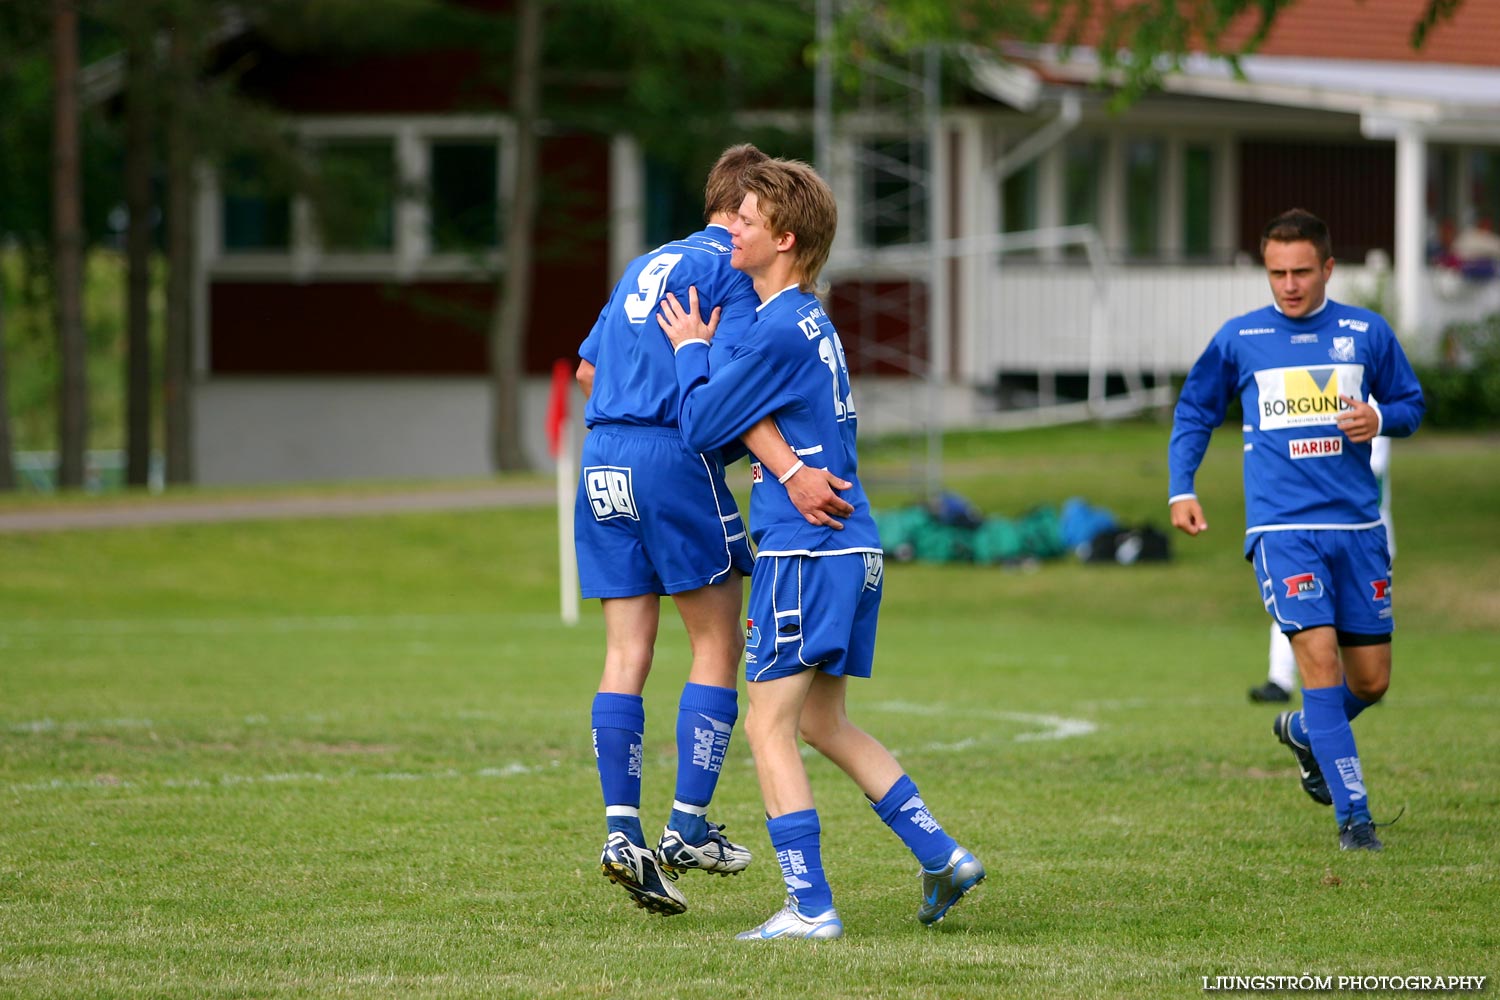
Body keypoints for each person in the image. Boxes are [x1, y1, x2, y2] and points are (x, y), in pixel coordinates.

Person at [658, 157, 984, 939]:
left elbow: (702, 426)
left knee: (767, 724)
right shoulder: (809, 319)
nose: (730, 228)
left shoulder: (774, 327)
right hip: (851, 549)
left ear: (786, 237)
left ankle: (810, 905)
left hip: (806, 552)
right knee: (823, 723)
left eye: (745, 219)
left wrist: (691, 349)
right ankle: (941, 853)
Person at [575, 144, 854, 917]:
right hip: (671, 458)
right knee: (717, 644)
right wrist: (793, 471)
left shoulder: (645, 263)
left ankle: (620, 834)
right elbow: (737, 402)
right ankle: (686, 828)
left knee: (625, 651)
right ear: (746, 210)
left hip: (602, 458)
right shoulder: (731, 270)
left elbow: (587, 373)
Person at [1169, 208, 1424, 852]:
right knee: (1317, 662)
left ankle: (1309, 732)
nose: (1289, 284)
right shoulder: (1240, 337)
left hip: (1360, 530)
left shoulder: (1366, 333)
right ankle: (1355, 820)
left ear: (1329, 268)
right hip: (1284, 533)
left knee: (1370, 682)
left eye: (1302, 271)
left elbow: (1412, 406)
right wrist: (1182, 486)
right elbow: (1196, 409)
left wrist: (1379, 418)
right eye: (1277, 272)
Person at [1249, 434, 1393, 703]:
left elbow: (1373, 468)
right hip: (1307, 532)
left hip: (1362, 535)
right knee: (1301, 607)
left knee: (1352, 615)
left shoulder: (1371, 408)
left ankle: (1359, 681)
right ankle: (1281, 680)